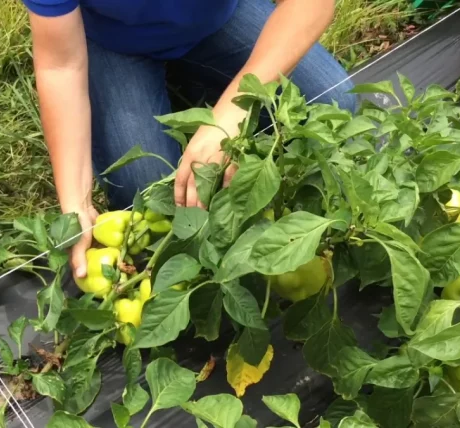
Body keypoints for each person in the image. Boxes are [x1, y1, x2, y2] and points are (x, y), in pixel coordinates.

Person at [20, 0, 357, 281]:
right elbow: (60, 65)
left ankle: (202, 82)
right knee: (149, 192)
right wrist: (75, 201)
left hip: (216, 18)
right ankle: (189, 83)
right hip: (114, 41)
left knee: (334, 103)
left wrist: (234, 110)